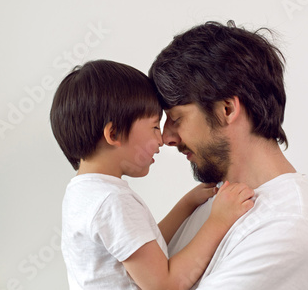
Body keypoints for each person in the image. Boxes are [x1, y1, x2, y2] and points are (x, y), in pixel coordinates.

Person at [148, 21, 308, 289]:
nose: (167, 138)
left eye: (176, 118)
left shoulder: (290, 226)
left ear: (227, 109)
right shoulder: (215, 197)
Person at [49, 59, 254, 290]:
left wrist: (186, 205)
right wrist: (219, 220)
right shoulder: (112, 201)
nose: (162, 140)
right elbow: (165, 285)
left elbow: (145, 250)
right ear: (114, 133)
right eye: (155, 127)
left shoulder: (83, 192)